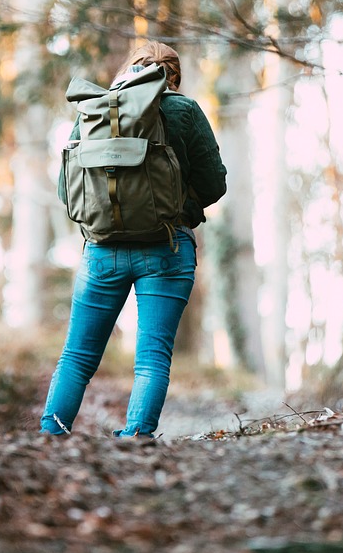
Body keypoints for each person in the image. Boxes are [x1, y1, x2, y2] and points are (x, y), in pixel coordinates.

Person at [40, 42, 227, 438]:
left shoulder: (97, 106)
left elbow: (66, 189)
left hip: (102, 250)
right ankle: (136, 438)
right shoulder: (184, 110)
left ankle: (51, 436)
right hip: (168, 247)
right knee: (152, 359)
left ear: (129, 67)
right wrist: (177, 203)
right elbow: (214, 185)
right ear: (173, 77)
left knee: (76, 357)